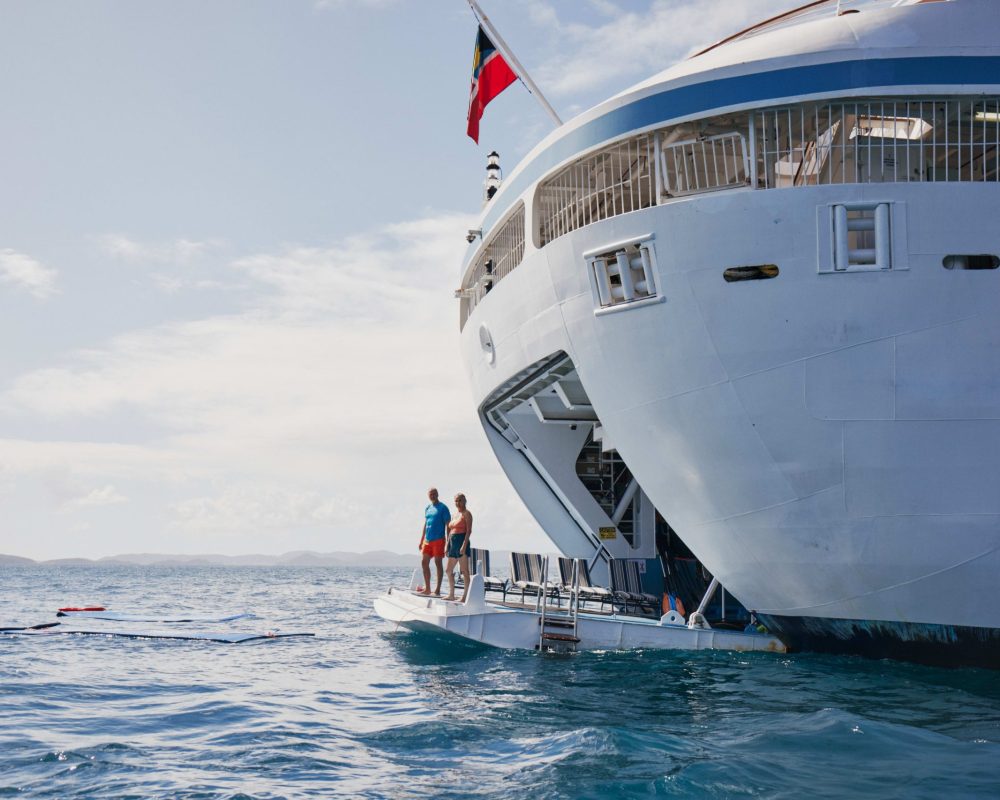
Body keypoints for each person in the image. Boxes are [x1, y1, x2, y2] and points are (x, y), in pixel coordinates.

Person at [417, 487, 450, 596]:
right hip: (427, 540)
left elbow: (448, 525)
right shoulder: (428, 508)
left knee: (437, 563)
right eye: (431, 494)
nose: (433, 496)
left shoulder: (443, 508)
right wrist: (421, 540)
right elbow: (426, 524)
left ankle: (437, 590)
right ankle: (428, 589)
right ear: (428, 496)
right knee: (424, 562)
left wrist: (448, 541)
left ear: (438, 494)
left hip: (439, 539)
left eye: (434, 493)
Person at [444, 493, 473, 602]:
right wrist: (447, 545)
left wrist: (464, 546)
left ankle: (465, 596)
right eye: (456, 501)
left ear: (465, 501)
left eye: (460, 500)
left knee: (465, 571)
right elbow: (450, 530)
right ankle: (451, 594)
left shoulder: (467, 514)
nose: (458, 503)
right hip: (452, 544)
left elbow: (469, 531)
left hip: (461, 542)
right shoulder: (455, 515)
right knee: (448, 570)